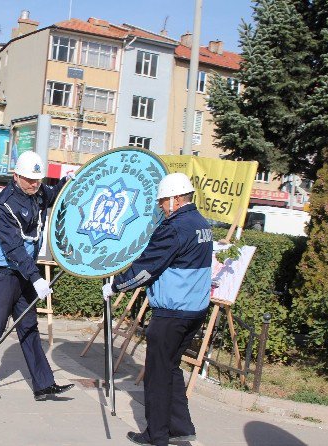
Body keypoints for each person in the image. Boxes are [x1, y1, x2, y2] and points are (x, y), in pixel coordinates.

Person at [103, 173, 212, 446]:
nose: (161, 206)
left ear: (176, 199)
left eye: (163, 201)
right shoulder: (201, 224)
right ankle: (180, 427)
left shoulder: (174, 228)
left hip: (172, 312)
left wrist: (116, 285)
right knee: (171, 367)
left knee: (157, 373)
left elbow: (146, 269)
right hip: (194, 311)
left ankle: (156, 434)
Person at [0, 151, 74, 401]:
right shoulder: (3, 206)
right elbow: (14, 248)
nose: (35, 184)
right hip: (5, 272)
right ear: (16, 176)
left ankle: (43, 385)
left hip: (25, 269)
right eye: (29, 179)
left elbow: (51, 196)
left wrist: (65, 182)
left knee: (28, 326)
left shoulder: (38, 191)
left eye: (38, 179)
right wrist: (36, 278)